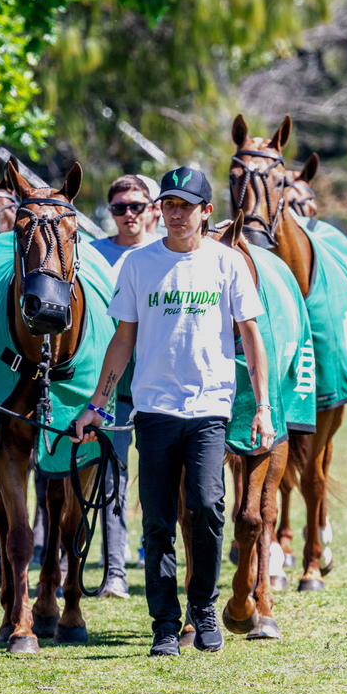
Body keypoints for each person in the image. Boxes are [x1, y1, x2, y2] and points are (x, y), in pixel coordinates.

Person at [73, 166, 273, 657]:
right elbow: (123, 339)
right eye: (169, 205)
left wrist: (264, 407)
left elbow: (251, 335)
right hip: (155, 410)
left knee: (206, 509)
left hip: (209, 408)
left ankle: (203, 609)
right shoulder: (138, 266)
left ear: (207, 211)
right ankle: (164, 624)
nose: (176, 214)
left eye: (187, 206)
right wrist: (98, 404)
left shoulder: (228, 264)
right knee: (159, 521)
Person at [89, 176, 158, 599]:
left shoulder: (168, 253)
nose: (128, 214)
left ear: (153, 208)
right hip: (112, 390)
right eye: (119, 207)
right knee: (112, 479)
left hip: (157, 385)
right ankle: (115, 571)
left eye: (136, 205)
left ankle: (154, 554)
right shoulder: (93, 257)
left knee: (159, 478)